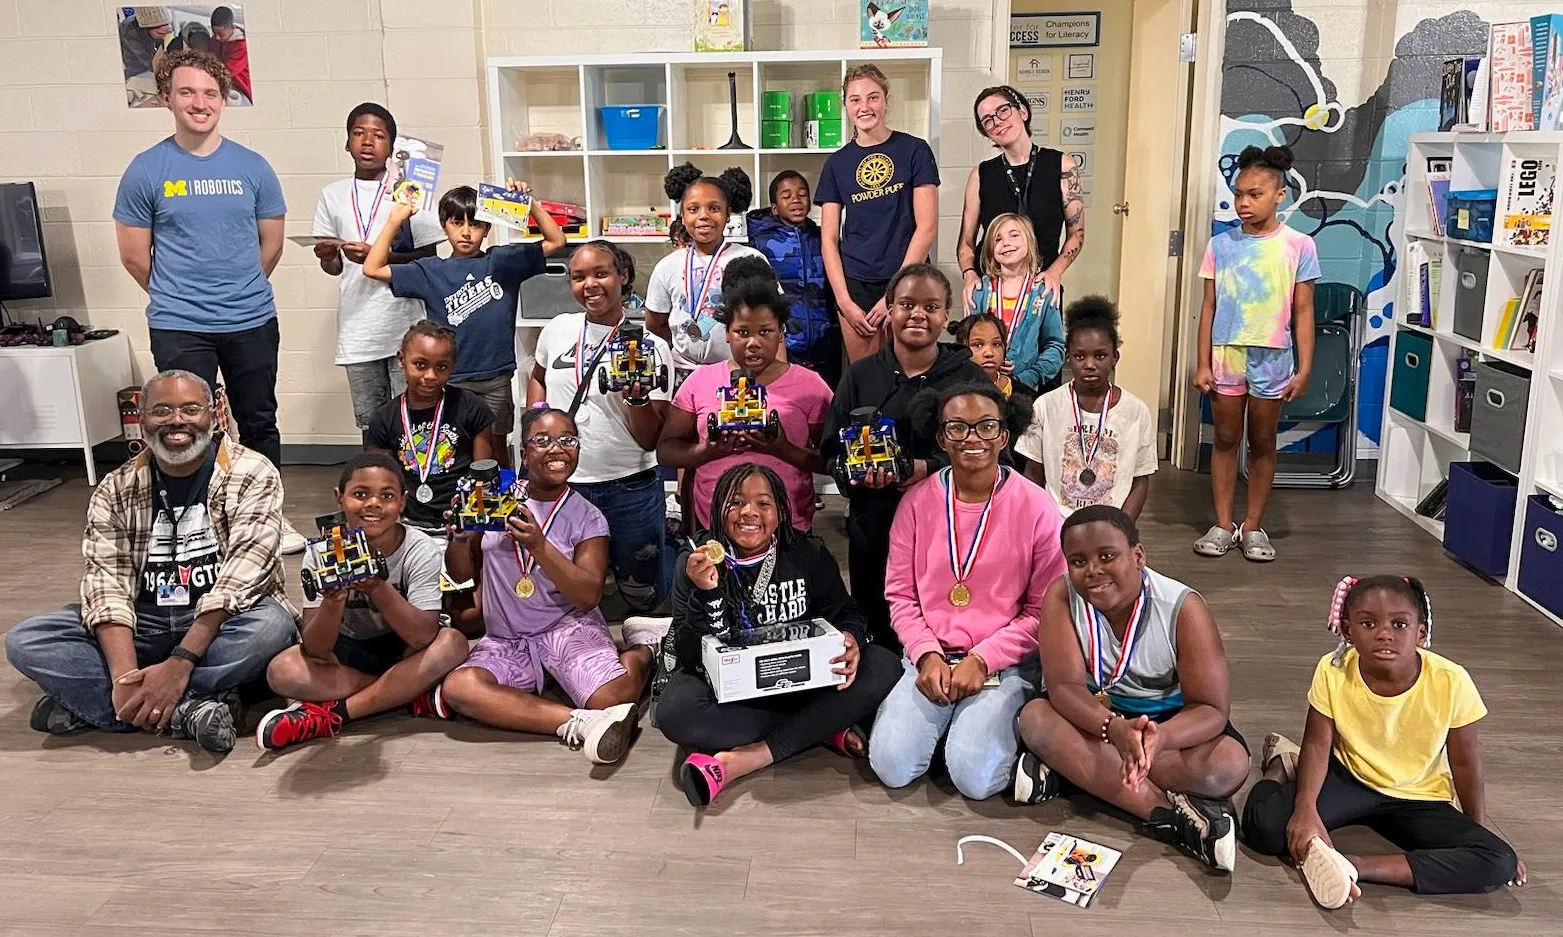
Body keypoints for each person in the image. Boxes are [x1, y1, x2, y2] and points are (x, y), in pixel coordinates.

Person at [4, 371, 298, 754]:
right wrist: (125, 675)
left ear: (214, 414)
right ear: (141, 421)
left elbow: (241, 578)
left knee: (271, 626)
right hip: (145, 622)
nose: (177, 420)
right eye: (162, 411)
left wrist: (180, 662)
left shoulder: (252, 472)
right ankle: (187, 709)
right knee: (28, 640)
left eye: (191, 409)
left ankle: (104, 706)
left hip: (220, 623)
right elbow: (106, 584)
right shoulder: (114, 488)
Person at [112, 49, 304, 551]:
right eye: (187, 92)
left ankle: (267, 520)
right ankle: (188, 523)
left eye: (210, 93)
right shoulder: (146, 170)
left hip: (251, 319)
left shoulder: (253, 167)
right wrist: (183, 296)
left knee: (259, 420)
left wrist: (237, 289)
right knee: (183, 426)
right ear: (167, 99)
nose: (200, 103)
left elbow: (272, 245)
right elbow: (134, 256)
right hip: (179, 324)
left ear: (224, 99)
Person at [1241, 575, 1524, 906]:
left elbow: (1465, 761)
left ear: (1421, 632)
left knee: (1498, 860)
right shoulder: (1333, 670)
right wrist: (1304, 808)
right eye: (1368, 623)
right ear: (1348, 631)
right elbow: (1318, 744)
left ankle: (1356, 867)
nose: (1384, 633)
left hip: (1418, 796)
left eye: (1400, 624)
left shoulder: (1453, 681)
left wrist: (1477, 835)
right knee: (1264, 829)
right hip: (1349, 778)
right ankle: (1280, 765)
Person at [1013, 505, 1251, 872]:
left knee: (1228, 766)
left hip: (1168, 725)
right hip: (1094, 718)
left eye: (1107, 556)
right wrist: (1114, 729)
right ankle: (1169, 816)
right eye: (1077, 561)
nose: (1093, 570)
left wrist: (1158, 740)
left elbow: (1211, 710)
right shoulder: (1061, 595)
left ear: (1138, 556)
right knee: (1035, 719)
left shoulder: (1183, 608)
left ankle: (1072, 771)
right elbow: (1063, 687)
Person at [658, 463, 901, 808]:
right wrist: (706, 594)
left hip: (800, 683)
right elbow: (687, 655)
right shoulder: (695, 562)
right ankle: (824, 728)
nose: (749, 513)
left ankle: (751, 756)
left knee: (883, 664)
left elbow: (846, 611)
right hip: (735, 695)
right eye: (736, 502)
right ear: (717, 510)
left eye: (763, 504)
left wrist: (851, 638)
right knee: (675, 710)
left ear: (781, 512)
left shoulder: (806, 552)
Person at [868, 381, 1062, 801]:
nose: (972, 438)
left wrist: (983, 658)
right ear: (941, 437)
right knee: (892, 766)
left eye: (986, 426)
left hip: (1003, 663)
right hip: (931, 656)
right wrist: (925, 653)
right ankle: (953, 729)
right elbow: (900, 596)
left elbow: (1043, 610)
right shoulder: (917, 503)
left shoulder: (1037, 506)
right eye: (957, 428)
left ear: (1004, 435)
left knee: (975, 780)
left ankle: (991, 738)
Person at [438, 407, 660, 764]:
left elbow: (587, 596)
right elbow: (464, 577)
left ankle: (645, 650)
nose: (556, 449)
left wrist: (539, 546)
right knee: (459, 688)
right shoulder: (494, 497)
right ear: (523, 454)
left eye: (567, 441)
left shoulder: (588, 517)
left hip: (567, 626)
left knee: (613, 697)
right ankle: (579, 723)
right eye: (542, 441)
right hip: (507, 637)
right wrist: (461, 541)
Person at [821, 264, 990, 651]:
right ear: (890, 310)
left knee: (946, 628)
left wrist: (928, 468)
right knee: (879, 629)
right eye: (906, 304)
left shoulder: (969, 379)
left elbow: (999, 456)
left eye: (930, 306)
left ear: (946, 315)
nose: (917, 314)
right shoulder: (860, 376)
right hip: (875, 525)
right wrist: (855, 475)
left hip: (951, 530)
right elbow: (830, 451)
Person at [255, 453, 470, 750]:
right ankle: (407, 693)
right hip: (350, 650)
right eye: (360, 494)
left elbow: (422, 637)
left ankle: (335, 713)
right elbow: (316, 648)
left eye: (387, 496)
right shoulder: (321, 553)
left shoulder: (419, 548)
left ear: (403, 502)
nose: (373, 504)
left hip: (403, 649)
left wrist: (377, 587)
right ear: (339, 498)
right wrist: (333, 601)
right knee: (282, 670)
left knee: (452, 643)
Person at [365, 181, 567, 456]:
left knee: (496, 451)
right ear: (444, 225)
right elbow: (372, 267)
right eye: (457, 223)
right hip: (450, 379)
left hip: (495, 375)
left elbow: (557, 241)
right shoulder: (431, 271)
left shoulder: (503, 261)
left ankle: (501, 498)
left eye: (475, 224)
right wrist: (394, 221)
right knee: (452, 449)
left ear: (487, 229)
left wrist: (528, 203)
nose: (466, 232)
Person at [530, 241, 675, 614]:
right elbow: (539, 375)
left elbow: (649, 438)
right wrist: (537, 420)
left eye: (600, 274)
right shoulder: (558, 329)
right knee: (566, 584)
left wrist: (637, 399)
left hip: (629, 483)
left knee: (640, 588)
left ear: (622, 277)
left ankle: (642, 651)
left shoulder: (652, 348)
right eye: (578, 277)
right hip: (565, 484)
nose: (589, 285)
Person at [1193, 144, 1319, 562]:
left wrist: (1304, 367)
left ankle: (1253, 526)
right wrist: (1202, 362)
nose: (1244, 203)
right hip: (1227, 355)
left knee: (1263, 440)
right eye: (1238, 194)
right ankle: (1223, 523)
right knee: (1226, 437)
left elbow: (1303, 310)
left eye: (1255, 194)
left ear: (1279, 195)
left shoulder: (1299, 246)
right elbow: (1208, 306)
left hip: (1274, 357)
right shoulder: (1220, 245)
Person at [658, 258, 832, 533]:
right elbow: (666, 451)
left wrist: (781, 448)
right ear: (727, 333)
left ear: (781, 332)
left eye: (765, 332)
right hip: (714, 527)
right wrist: (707, 451)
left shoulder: (811, 386)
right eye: (742, 332)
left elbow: (832, 461)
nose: (753, 343)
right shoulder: (699, 381)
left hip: (788, 526)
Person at [311, 103, 443, 434]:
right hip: (358, 329)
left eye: (378, 135)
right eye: (358, 134)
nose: (367, 142)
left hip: (404, 322)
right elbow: (333, 268)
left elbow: (428, 257)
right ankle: (375, 484)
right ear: (347, 143)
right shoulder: (332, 195)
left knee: (414, 420)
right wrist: (328, 256)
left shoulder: (411, 190)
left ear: (392, 146)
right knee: (371, 424)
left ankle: (414, 485)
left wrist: (377, 258)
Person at [816, 64, 939, 363]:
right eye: (855, 99)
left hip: (908, 277)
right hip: (856, 281)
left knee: (912, 371)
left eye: (873, 97)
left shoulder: (914, 150)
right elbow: (829, 239)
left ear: (885, 100)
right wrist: (844, 301)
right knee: (867, 379)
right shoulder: (837, 164)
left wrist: (896, 293)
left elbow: (927, 227)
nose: (864, 107)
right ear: (845, 105)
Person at [1016, 296, 1157, 519]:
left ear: (1114, 358)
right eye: (1080, 356)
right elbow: (1033, 475)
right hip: (1055, 526)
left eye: (1100, 355)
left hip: (1111, 526)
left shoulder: (1136, 411)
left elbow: (1140, 479)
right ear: (1068, 358)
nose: (1090, 365)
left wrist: (1123, 527)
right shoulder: (1045, 406)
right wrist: (1040, 524)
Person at [958, 86, 1084, 312]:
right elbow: (966, 242)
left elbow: (1077, 234)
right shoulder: (980, 174)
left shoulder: (1062, 165)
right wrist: (969, 275)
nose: (997, 121)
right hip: (992, 290)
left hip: (1041, 286)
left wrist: (1055, 272)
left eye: (1003, 111)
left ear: (1022, 112)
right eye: (987, 120)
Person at [364, 322, 497, 536]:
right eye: (420, 364)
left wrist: (470, 525)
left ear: (452, 366)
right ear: (401, 360)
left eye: (441, 367)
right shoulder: (384, 418)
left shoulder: (471, 407)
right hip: (406, 525)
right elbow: (380, 482)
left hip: (460, 521)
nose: (431, 376)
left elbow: (482, 477)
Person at [645, 164, 766, 381]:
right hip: (681, 373)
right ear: (682, 216)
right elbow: (655, 325)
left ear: (728, 215)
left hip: (738, 372)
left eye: (714, 208)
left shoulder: (750, 260)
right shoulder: (667, 266)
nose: (704, 216)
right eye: (693, 209)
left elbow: (773, 322)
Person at [746, 170, 839, 387]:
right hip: (782, 344)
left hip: (823, 342)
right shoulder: (760, 243)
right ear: (775, 207)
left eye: (802, 194)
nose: (796, 200)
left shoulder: (823, 238)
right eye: (786, 196)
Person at [965, 212, 1064, 394]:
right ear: (990, 249)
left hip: (1023, 389)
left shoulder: (1044, 292)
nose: (1006, 243)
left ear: (1030, 242)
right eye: (998, 239)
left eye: (1014, 235)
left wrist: (1029, 376)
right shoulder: (979, 290)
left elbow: (1055, 346)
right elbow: (967, 342)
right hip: (981, 386)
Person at [950, 313, 1013, 398]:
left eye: (996, 344)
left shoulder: (1024, 394)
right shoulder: (948, 393)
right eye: (978, 345)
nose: (989, 353)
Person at [208, 6, 251, 104]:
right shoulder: (214, 41)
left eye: (221, 34)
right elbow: (209, 58)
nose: (217, 37)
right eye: (214, 33)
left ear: (231, 27)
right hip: (220, 81)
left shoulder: (241, 46)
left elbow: (228, 71)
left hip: (240, 87)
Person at [119, 6, 172, 83]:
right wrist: (163, 46)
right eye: (160, 33)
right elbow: (152, 66)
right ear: (146, 29)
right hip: (136, 71)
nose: (164, 37)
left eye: (166, 33)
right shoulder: (129, 30)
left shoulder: (163, 27)